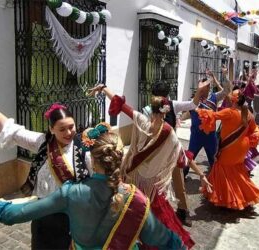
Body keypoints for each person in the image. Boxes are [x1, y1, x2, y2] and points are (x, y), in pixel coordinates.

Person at [0, 123, 185, 249]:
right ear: (120, 159)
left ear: (92, 161)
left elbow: (14, 214)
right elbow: (166, 241)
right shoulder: (136, 199)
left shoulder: (71, 194)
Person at [89, 85, 213, 249]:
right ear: (159, 112)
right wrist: (104, 89)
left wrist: (104, 89)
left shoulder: (159, 129)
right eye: (154, 113)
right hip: (140, 183)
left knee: (140, 219)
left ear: (158, 112)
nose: (154, 117)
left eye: (155, 113)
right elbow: (185, 158)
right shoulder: (155, 127)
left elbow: (183, 157)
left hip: (142, 184)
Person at [0, 104, 92, 249]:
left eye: (71, 126)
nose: (68, 132)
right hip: (42, 214)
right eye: (62, 129)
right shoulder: (43, 143)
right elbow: (14, 131)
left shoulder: (84, 150)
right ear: (51, 129)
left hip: (70, 218)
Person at [142, 81, 203, 227]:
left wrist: (199, 91)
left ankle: (182, 211)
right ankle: (152, 212)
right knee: (156, 183)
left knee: (178, 181)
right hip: (156, 151)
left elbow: (192, 105)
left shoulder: (173, 105)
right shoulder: (147, 110)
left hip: (171, 150)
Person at [197, 90, 259, 211]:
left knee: (222, 168)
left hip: (230, 147)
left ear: (233, 100)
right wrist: (252, 139)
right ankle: (243, 195)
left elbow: (213, 115)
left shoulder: (229, 112)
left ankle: (226, 198)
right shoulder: (248, 113)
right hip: (243, 147)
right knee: (236, 171)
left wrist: (198, 110)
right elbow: (255, 130)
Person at [184, 67, 231, 177]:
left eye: (205, 86)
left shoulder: (214, 97)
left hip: (210, 136)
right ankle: (182, 175)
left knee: (213, 159)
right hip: (196, 135)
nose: (202, 88)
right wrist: (180, 119)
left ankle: (217, 178)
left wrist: (225, 76)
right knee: (189, 157)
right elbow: (189, 113)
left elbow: (226, 91)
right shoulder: (194, 99)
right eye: (201, 86)